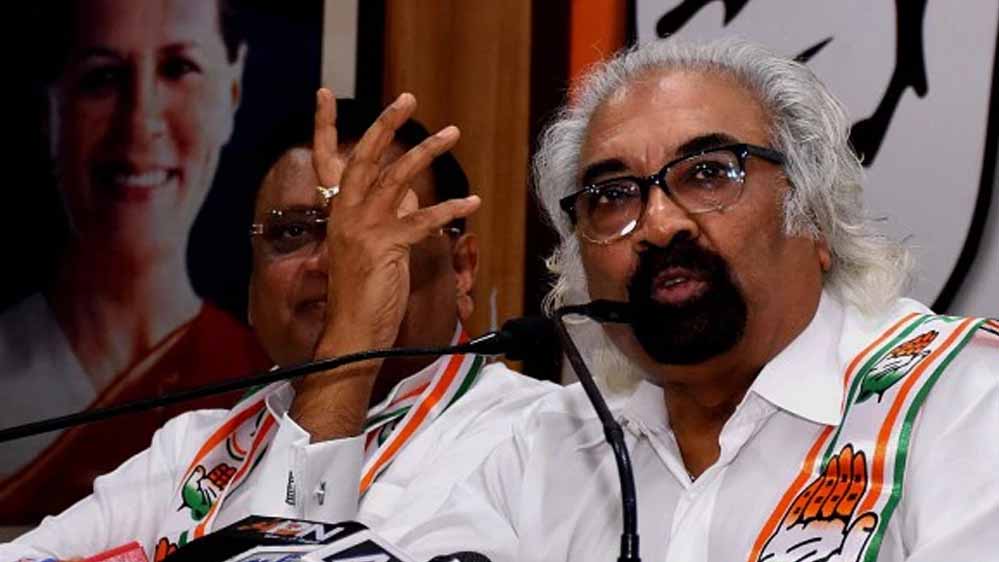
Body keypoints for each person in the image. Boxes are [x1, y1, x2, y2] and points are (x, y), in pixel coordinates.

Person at [396, 38, 999, 562]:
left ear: (812, 212)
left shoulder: (962, 401)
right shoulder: (545, 449)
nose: (659, 224)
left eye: (708, 173)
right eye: (613, 195)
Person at [0, 92, 555, 562]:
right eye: (292, 232)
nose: (333, 260)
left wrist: (352, 340)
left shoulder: (540, 438)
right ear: (250, 290)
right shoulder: (188, 451)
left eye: (376, 228)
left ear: (462, 269)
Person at [0, 0, 271, 523]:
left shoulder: (264, 381)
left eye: (178, 68)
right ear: (51, 108)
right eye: (102, 77)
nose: (140, 122)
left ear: (233, 90)